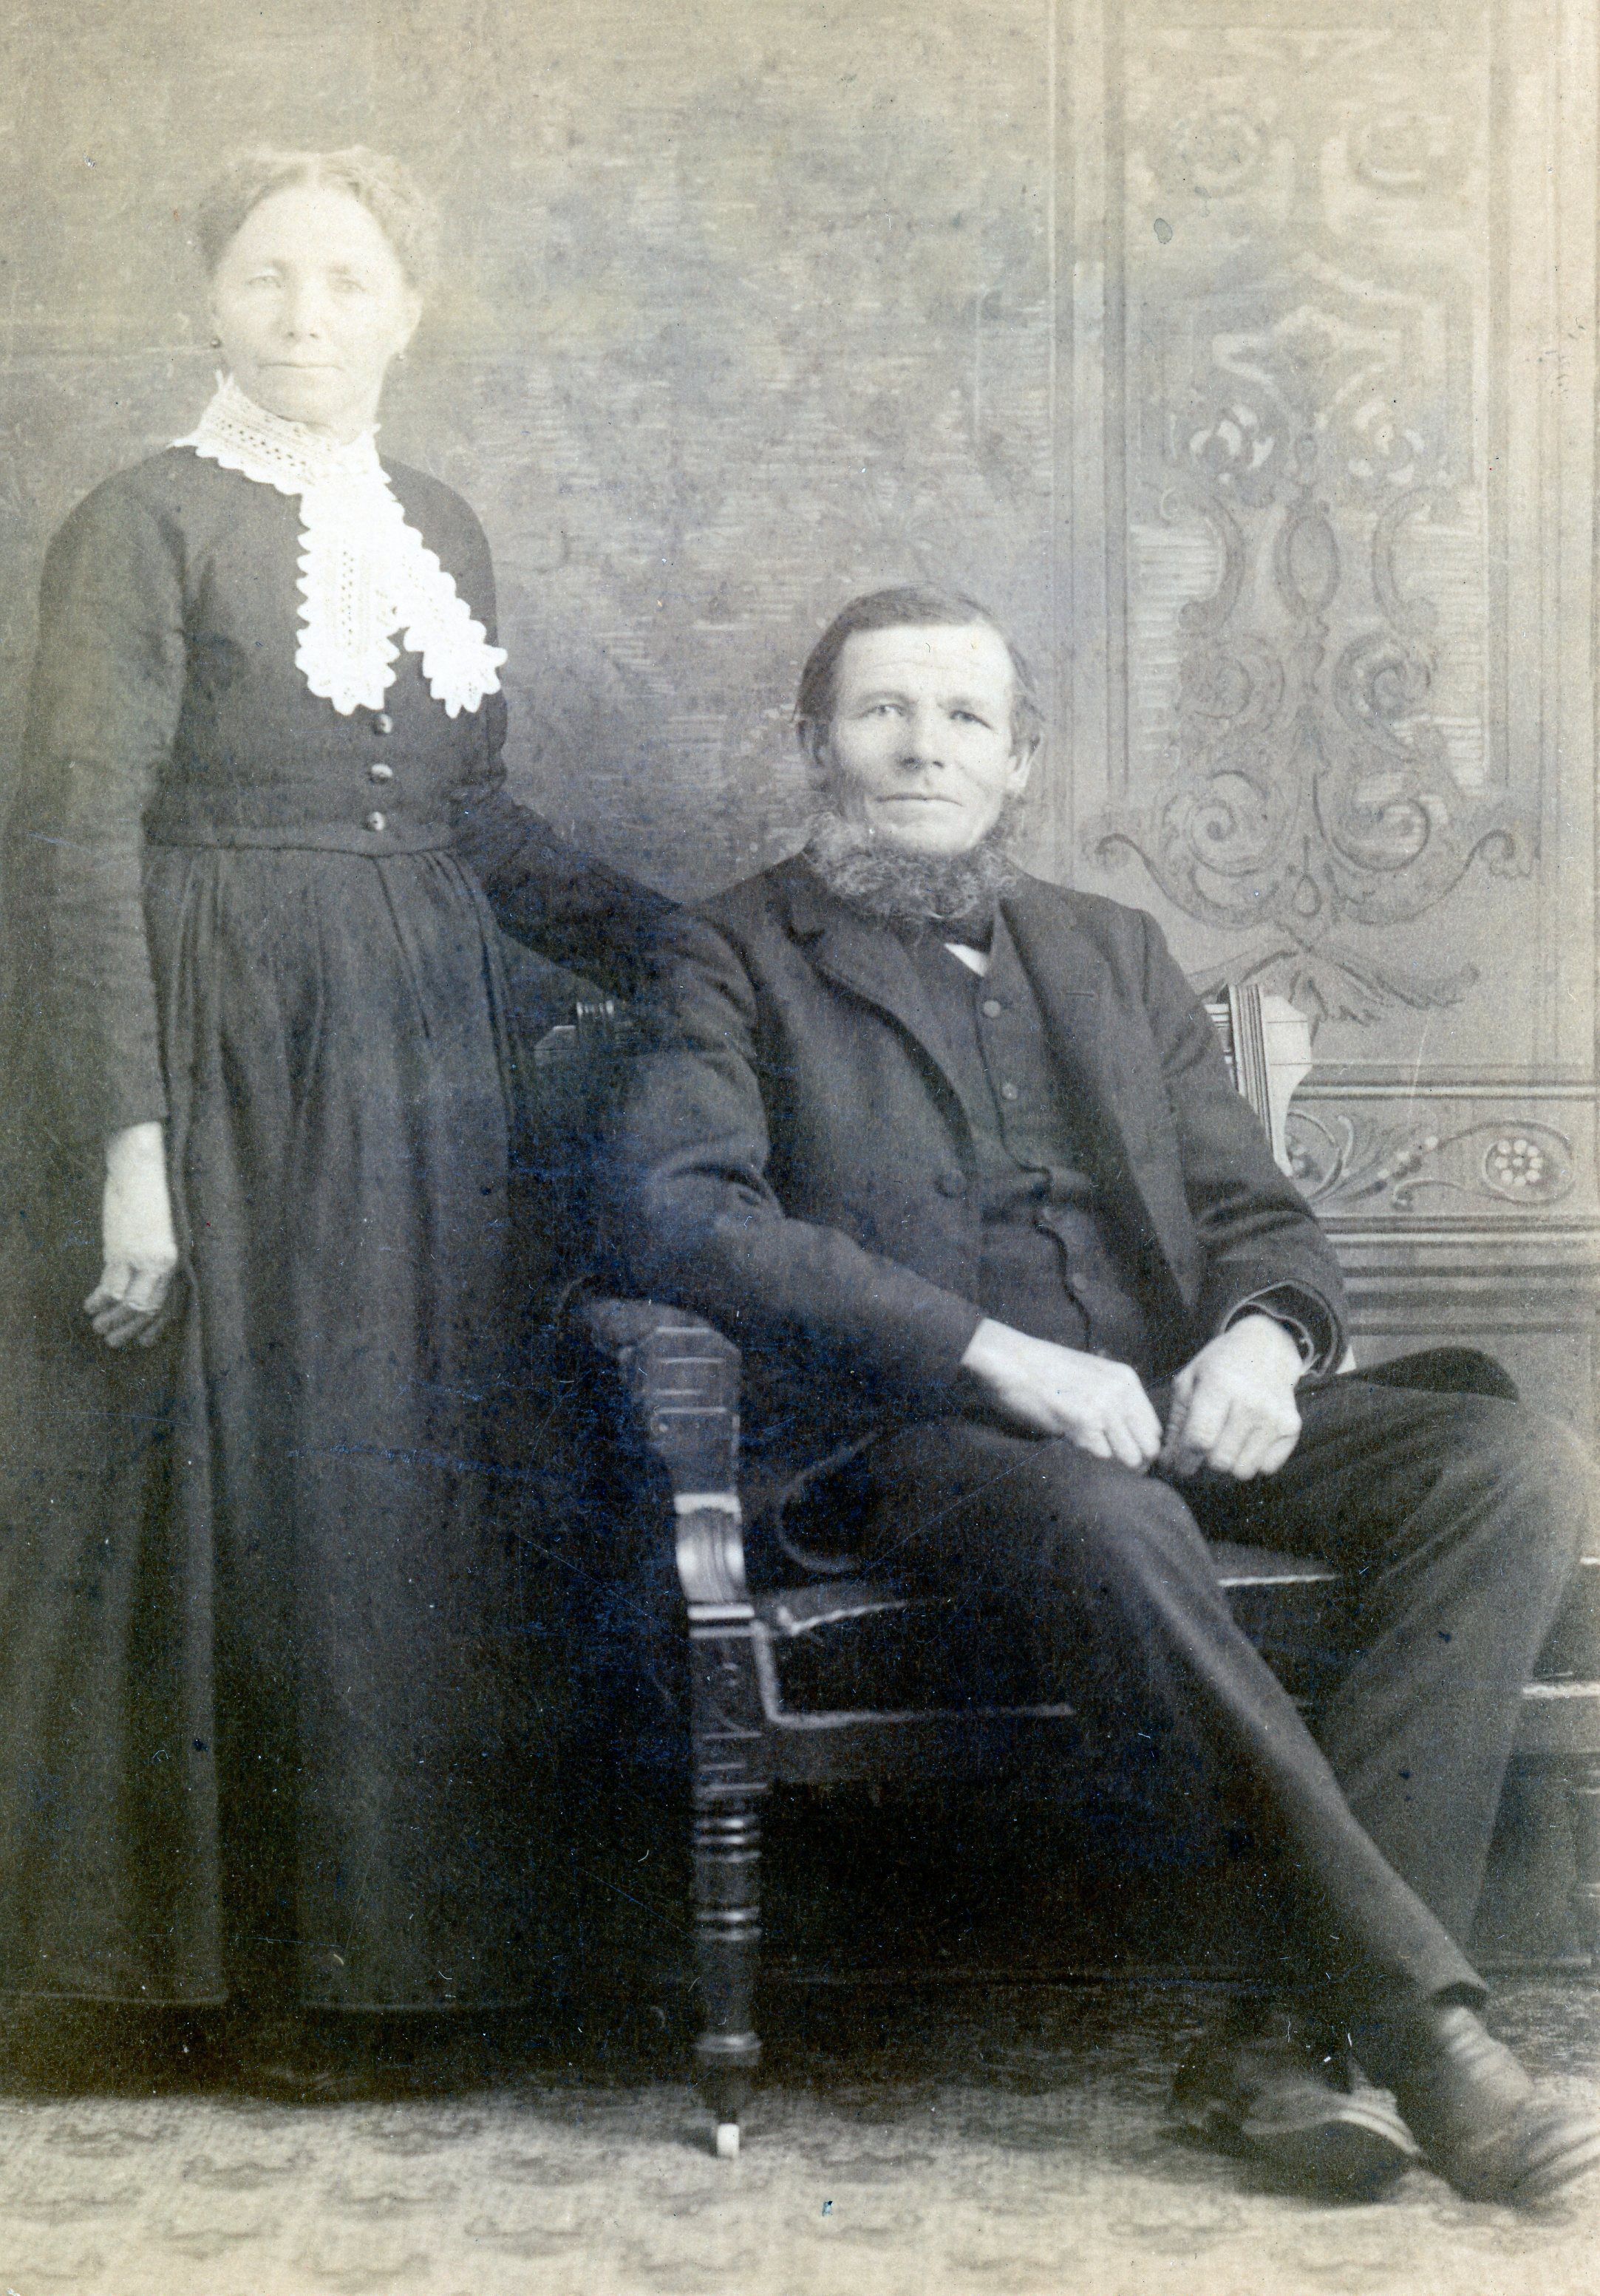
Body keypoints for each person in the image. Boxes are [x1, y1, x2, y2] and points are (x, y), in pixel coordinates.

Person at [606, 583, 1600, 2206]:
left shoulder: (1111, 949)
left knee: (1508, 1462)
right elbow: (684, 1214)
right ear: (813, 747)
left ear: (1020, 762)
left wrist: (1261, 1341)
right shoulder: (724, 951)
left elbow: (1256, 1213)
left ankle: (1276, 2038)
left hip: (1152, 1407)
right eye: (881, 712)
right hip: (910, 1437)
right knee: (1113, 1518)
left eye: (965, 718)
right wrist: (995, 1355)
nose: (922, 748)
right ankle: (1421, 2037)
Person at [0, 146, 672, 2094]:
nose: (306, 316)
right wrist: (131, 1154)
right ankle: (211, 1984)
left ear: (409, 310)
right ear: (210, 300)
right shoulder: (140, 523)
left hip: (420, 1063)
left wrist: (695, 945)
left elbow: (472, 819)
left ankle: (391, 1971)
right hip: (219, 1043)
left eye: (348, 281)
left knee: (390, 1484)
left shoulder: (436, 523)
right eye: (269, 278)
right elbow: (74, 846)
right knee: (246, 1486)